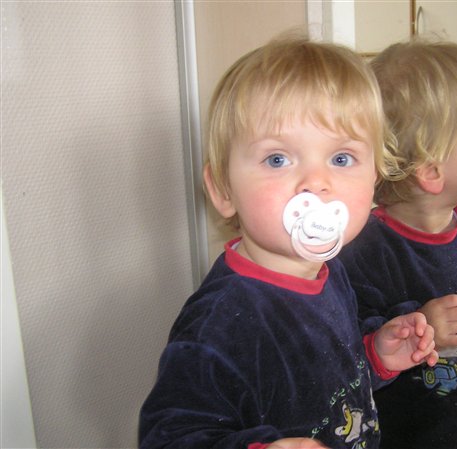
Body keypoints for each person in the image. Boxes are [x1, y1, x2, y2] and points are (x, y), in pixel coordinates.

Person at [138, 35, 439, 449]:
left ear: (374, 178)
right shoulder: (221, 321)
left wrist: (375, 355)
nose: (316, 182)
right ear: (223, 190)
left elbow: (331, 382)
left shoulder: (329, 272)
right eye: (277, 159)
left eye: (341, 158)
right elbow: (168, 437)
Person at [338, 39, 457, 449]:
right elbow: (346, 356)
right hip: (402, 434)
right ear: (432, 171)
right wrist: (419, 324)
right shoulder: (361, 252)